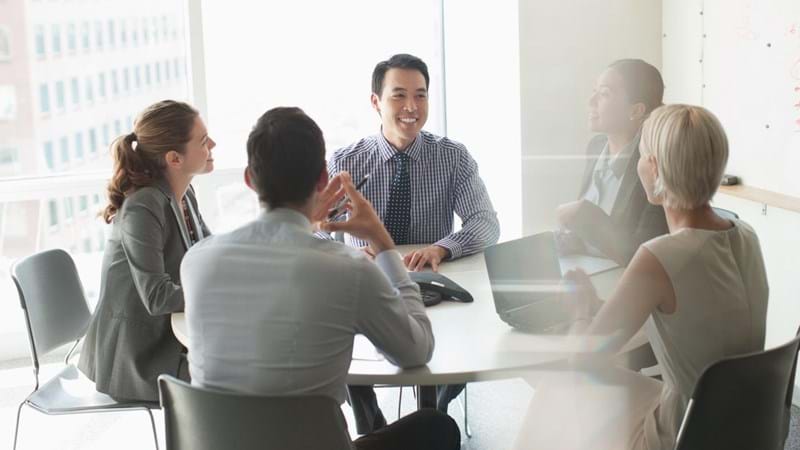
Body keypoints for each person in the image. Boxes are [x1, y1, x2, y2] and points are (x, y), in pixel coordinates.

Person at [181, 107, 460, 450]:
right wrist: (383, 243)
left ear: (250, 179)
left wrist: (306, 225)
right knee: (436, 426)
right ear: (322, 178)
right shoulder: (349, 269)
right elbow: (416, 352)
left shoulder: (196, 261)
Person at [514, 104, 769, 450]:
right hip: (749, 424)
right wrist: (606, 307)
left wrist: (581, 311)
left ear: (654, 167)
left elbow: (584, 359)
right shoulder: (746, 235)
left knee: (561, 382)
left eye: (642, 154)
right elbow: (701, 315)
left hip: (685, 433)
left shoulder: (659, 256)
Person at [329, 53, 499, 428]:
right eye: (399, 95)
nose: (411, 107)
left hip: (432, 282)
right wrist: (356, 255)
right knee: (337, 340)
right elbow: (319, 231)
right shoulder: (345, 163)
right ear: (376, 102)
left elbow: (486, 223)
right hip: (367, 285)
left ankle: (431, 415)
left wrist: (443, 247)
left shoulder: (452, 157)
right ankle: (372, 428)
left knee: (469, 336)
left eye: (421, 95)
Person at [79, 100, 215, 401]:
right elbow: (157, 296)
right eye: (203, 141)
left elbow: (209, 252)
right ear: (174, 158)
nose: (213, 144)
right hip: (139, 355)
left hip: (168, 338)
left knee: (246, 367)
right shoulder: (143, 205)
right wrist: (220, 293)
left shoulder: (184, 194)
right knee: (236, 379)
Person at [556, 59, 668, 265]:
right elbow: (588, 234)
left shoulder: (655, 164)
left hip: (629, 283)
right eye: (594, 91)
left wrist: (585, 216)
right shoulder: (596, 147)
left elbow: (643, 253)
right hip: (587, 271)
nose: (591, 101)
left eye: (604, 94)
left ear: (636, 111)